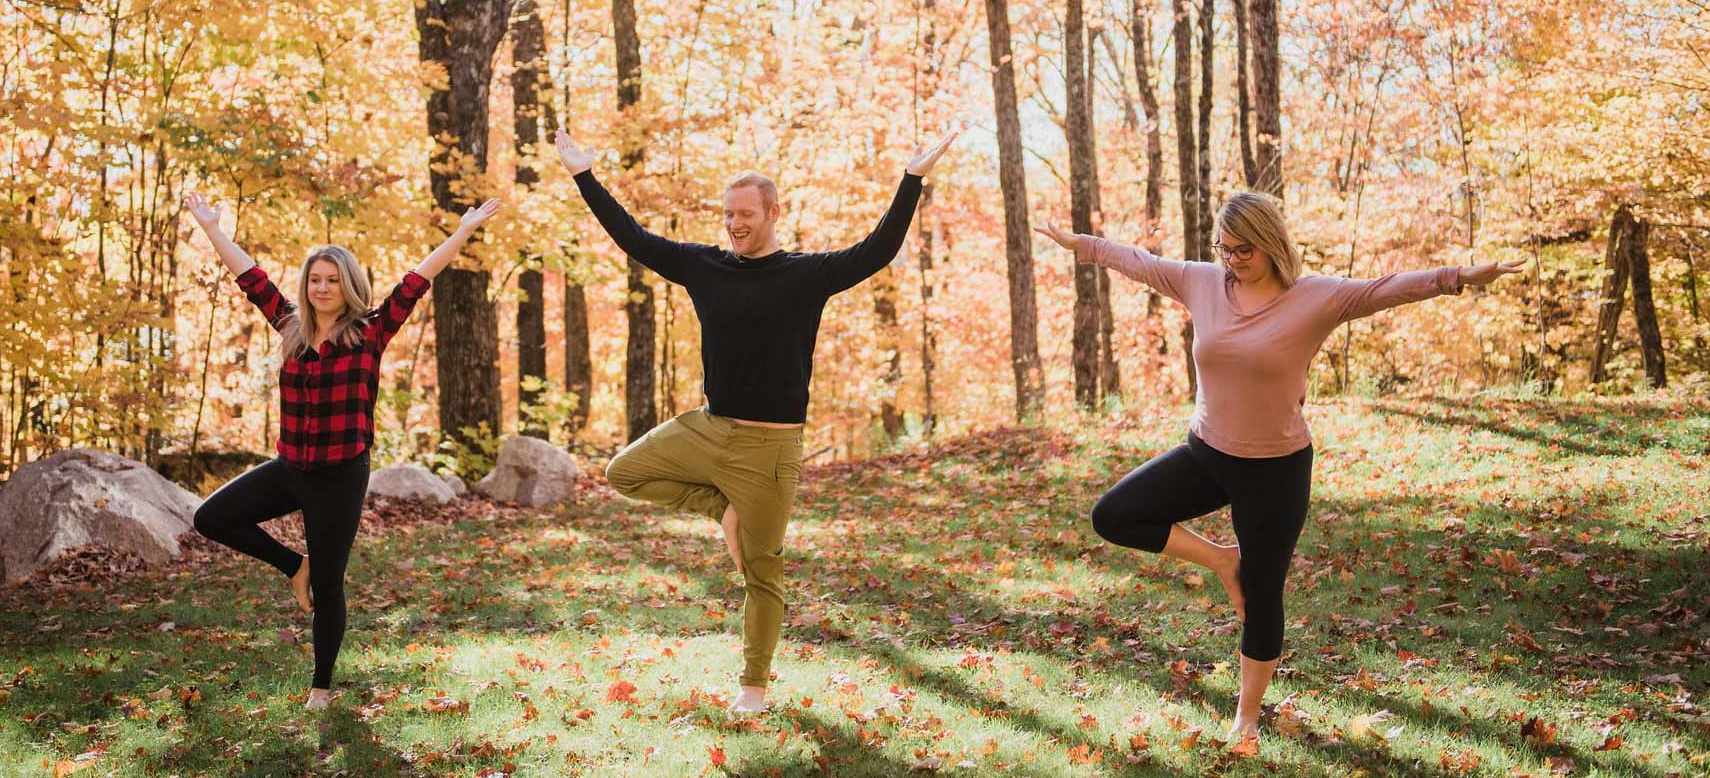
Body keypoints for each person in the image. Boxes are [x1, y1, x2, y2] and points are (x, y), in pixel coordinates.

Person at [1036, 191, 1524, 741]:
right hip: (1207, 454)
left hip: (1277, 470)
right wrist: (1084, 245)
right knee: (1113, 516)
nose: (1232, 260)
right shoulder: (1203, 282)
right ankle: (1223, 560)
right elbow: (1140, 263)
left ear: (1271, 243)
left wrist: (1458, 275)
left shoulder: (1315, 298)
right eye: (1224, 247)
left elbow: (1384, 289)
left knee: (1264, 594)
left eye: (1244, 249)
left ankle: (1245, 717)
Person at [558, 128, 957, 713]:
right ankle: (723, 509)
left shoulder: (808, 274)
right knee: (624, 472)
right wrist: (583, 176)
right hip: (708, 428)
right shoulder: (704, 266)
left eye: (744, 213)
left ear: (773, 212)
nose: (734, 223)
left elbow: (877, 251)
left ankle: (753, 688)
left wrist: (911, 180)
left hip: (771, 450)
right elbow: (634, 239)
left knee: (762, 573)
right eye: (727, 214)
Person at [183, 192, 501, 711]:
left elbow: (417, 280)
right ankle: (294, 565)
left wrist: (462, 232)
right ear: (307, 286)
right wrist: (213, 229)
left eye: (332, 280)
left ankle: (321, 687)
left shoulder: (371, 330)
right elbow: (250, 276)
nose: (323, 287)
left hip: (341, 477)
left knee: (330, 588)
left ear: (348, 285)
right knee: (211, 517)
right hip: (291, 467)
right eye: (315, 279)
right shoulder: (289, 325)